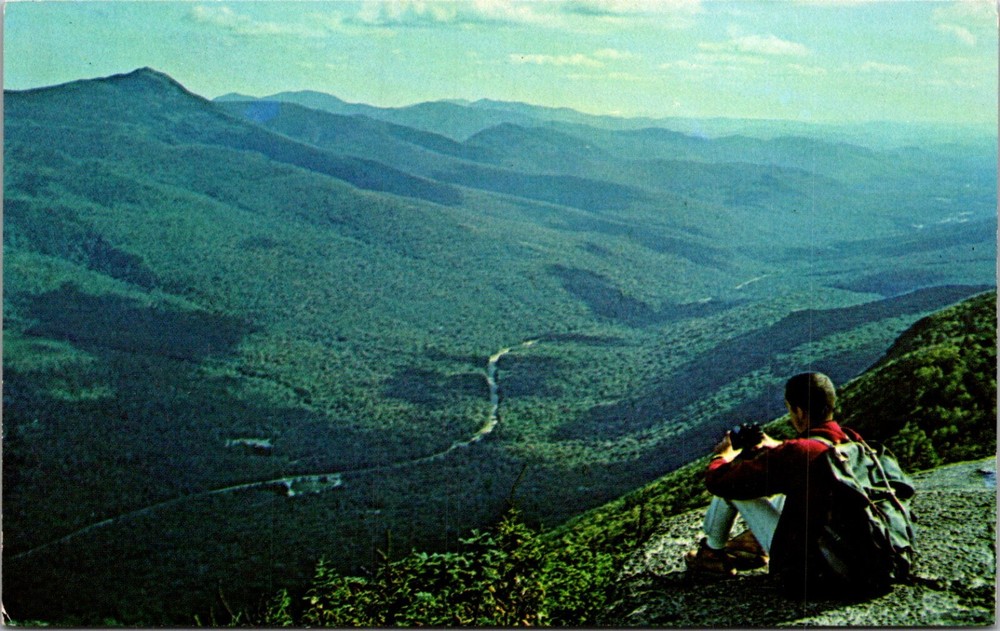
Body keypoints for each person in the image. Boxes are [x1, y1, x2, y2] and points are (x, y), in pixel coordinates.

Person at [684, 372, 862, 597]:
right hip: (853, 561)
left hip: (813, 570)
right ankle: (754, 542)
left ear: (798, 411)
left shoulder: (797, 453)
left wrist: (723, 456)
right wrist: (776, 446)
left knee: (734, 486)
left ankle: (711, 554)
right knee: (788, 489)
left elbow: (720, 482)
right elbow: (815, 454)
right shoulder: (852, 441)